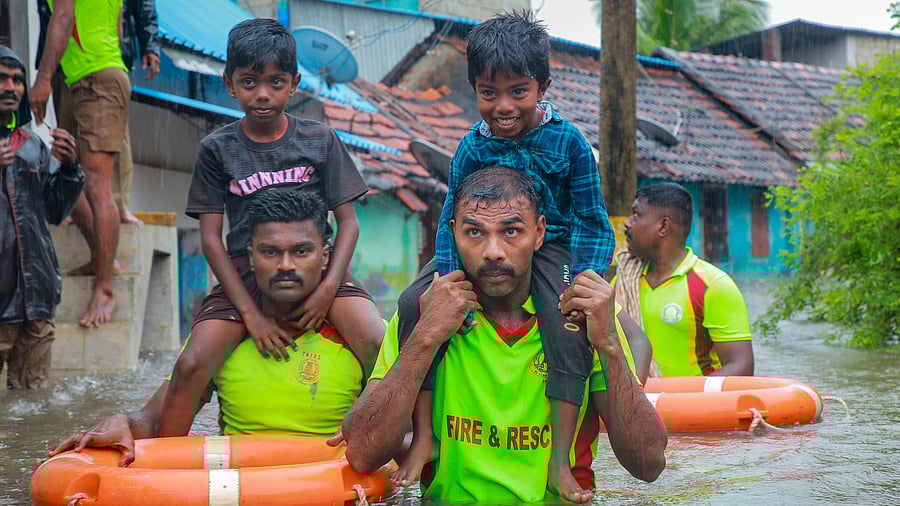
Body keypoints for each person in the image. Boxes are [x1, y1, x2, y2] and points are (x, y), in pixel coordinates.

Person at [392, 12, 617, 501]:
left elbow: (592, 222)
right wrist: (449, 281)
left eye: (519, 91)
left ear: (543, 86)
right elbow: (452, 219)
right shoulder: (471, 147)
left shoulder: (570, 142)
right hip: (481, 246)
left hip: (553, 246)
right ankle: (426, 438)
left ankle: (558, 463)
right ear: (474, 89)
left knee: (566, 324)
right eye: (488, 93)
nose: (503, 106)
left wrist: (582, 278)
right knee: (417, 304)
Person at [342, 167, 667, 505]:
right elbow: (364, 455)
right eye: (474, 232)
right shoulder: (426, 312)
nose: (493, 251)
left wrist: (610, 346)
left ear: (539, 232)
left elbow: (648, 465)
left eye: (511, 231)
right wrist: (425, 337)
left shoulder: (583, 317)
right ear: (453, 233)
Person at [160, 19, 384, 437]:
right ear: (229, 83)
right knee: (191, 364)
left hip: (319, 269)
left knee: (376, 341)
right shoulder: (217, 149)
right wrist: (250, 315)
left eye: (275, 82)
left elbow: (349, 223)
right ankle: (162, 465)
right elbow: (211, 238)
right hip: (246, 274)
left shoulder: (320, 140)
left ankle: (390, 436)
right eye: (249, 82)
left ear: (294, 83)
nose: (262, 94)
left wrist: (328, 290)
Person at [48, 189, 364, 463]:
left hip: (329, 482)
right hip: (239, 487)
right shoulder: (221, 336)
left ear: (325, 257)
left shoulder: (357, 335)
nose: (285, 265)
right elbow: (153, 419)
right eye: (270, 252)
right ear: (251, 257)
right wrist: (121, 422)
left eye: (301, 251)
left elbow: (399, 426)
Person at [30, 0, 131, 328]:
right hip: (78, 76)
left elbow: (63, 16)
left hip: (96, 77)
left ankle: (105, 290)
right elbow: (117, 27)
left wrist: (42, 78)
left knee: (96, 184)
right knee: (71, 175)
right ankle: (102, 260)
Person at [0, 45, 82, 389]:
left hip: (37, 292)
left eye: (18, 80)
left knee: (32, 402)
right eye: (2, 79)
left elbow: (55, 210)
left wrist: (68, 168)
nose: (11, 87)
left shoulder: (33, 146)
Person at [617, 182, 754, 377]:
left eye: (636, 215)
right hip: (636, 400)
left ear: (663, 226)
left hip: (690, 404)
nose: (627, 223)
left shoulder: (712, 286)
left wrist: (679, 397)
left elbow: (740, 367)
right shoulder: (623, 284)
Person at [113, 0, 161, 225]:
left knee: (117, 139)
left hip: (110, 59)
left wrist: (149, 45)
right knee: (70, 138)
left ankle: (120, 206)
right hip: (66, 59)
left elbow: (144, 5)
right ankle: (73, 206)